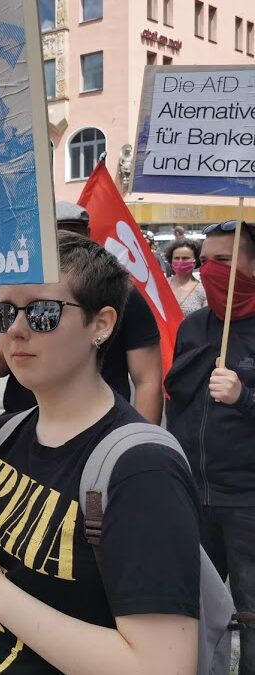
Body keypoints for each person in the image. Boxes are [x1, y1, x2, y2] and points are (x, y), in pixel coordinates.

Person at [0, 230, 201, 674]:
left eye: (42, 312)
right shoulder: (3, 435)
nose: (14, 330)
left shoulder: (142, 469)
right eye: (3, 312)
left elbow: (162, 666)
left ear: (101, 324)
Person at [166, 220, 255, 675]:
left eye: (224, 260)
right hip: (190, 494)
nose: (210, 270)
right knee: (192, 612)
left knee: (251, 614)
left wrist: (245, 397)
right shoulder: (195, 326)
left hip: (245, 502)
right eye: (205, 261)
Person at [0, 202, 164, 423]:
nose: (61, 242)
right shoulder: (3, 435)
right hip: (20, 420)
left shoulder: (124, 293)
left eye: (45, 311)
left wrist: (140, 442)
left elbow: (147, 380)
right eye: (52, 233)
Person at [166, 237, 207, 315]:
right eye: (176, 258)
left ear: (195, 262)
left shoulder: (203, 290)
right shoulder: (161, 286)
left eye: (185, 258)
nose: (180, 261)